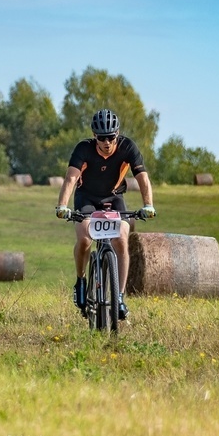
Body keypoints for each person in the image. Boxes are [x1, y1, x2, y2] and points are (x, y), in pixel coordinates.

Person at [55, 108, 156, 320]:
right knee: (84, 239)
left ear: (117, 134)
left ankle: (119, 296)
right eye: (102, 138)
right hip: (87, 198)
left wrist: (148, 204)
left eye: (111, 137)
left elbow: (143, 178)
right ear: (94, 136)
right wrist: (62, 206)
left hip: (114, 198)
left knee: (121, 238)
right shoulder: (83, 149)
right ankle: (81, 281)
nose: (107, 142)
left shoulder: (128, 147)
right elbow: (71, 179)